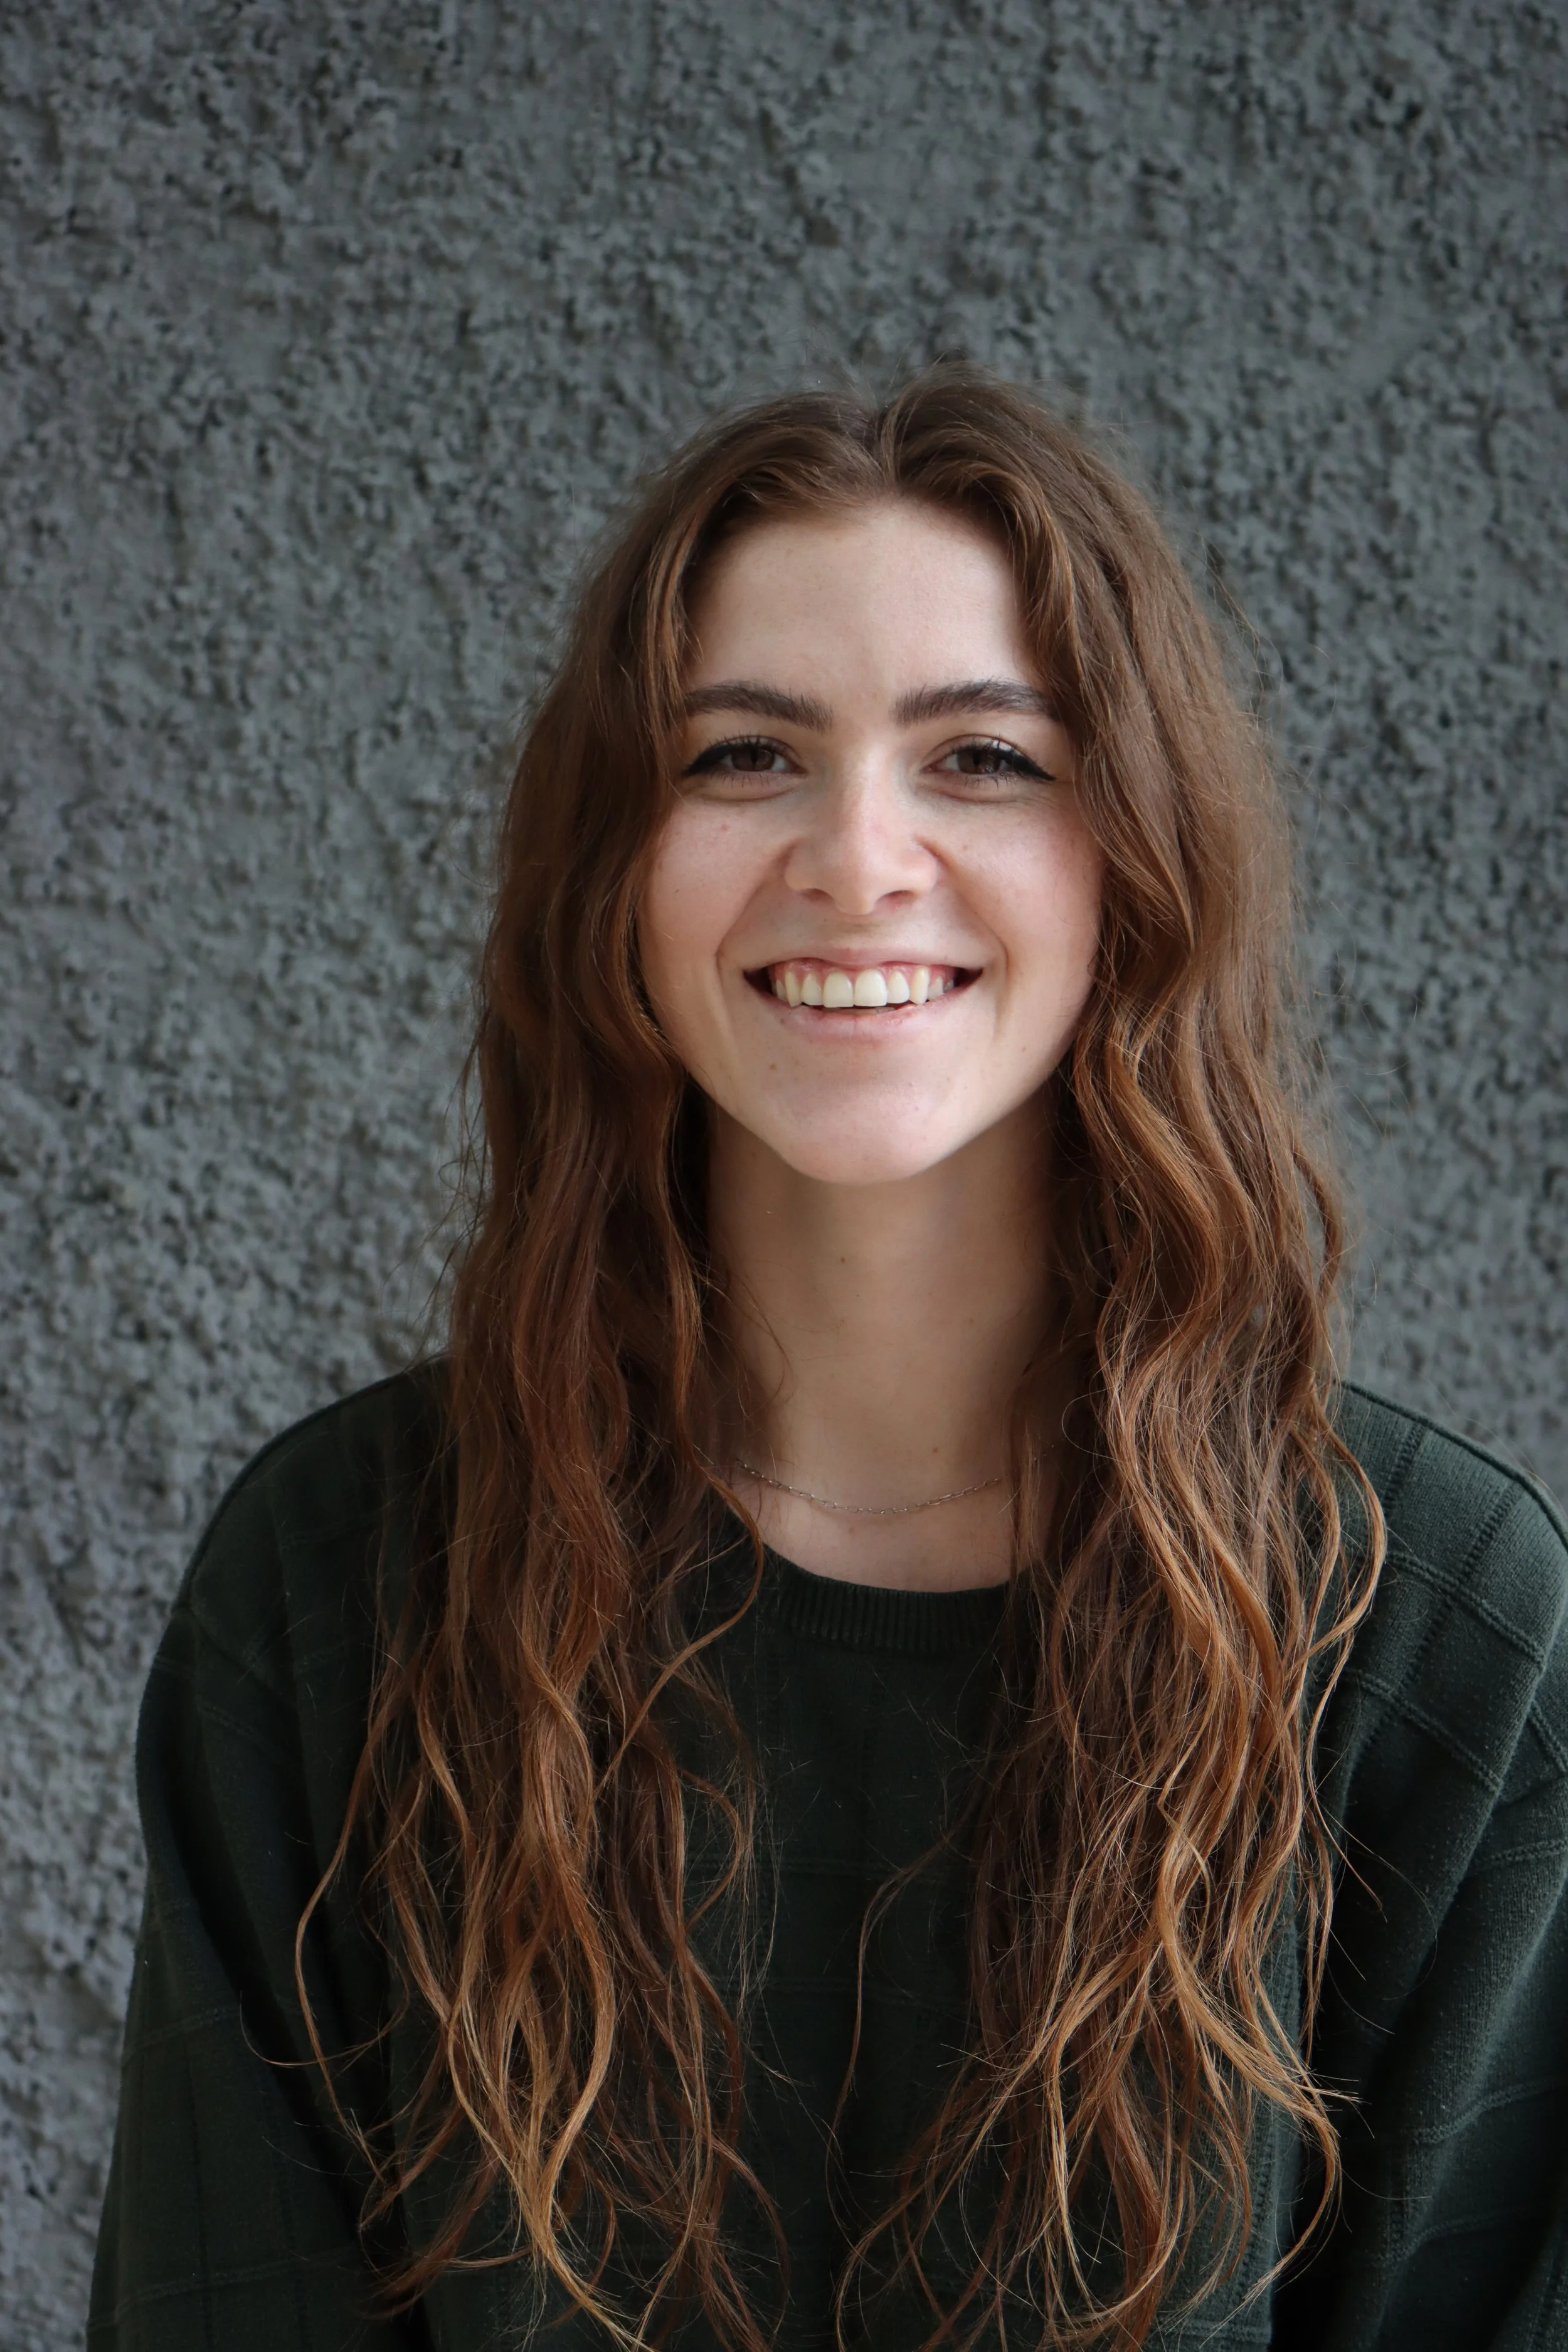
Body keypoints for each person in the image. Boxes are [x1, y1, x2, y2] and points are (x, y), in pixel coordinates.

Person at [88, 368, 1568, 2352]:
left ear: (1137, 852)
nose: (858, 857)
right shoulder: (343, 1584)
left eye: (979, 759)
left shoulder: (1426, 1631)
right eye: (740, 756)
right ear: (613, 868)